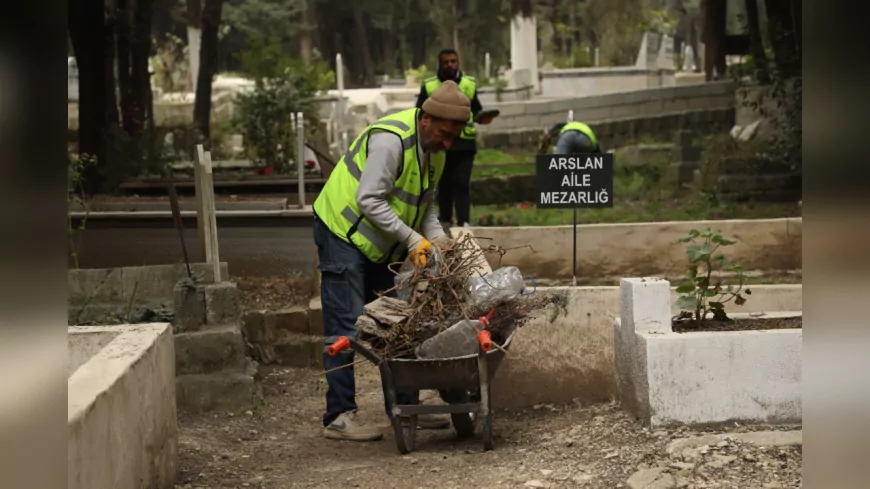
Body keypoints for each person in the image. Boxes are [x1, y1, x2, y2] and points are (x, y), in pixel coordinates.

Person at [312, 81, 472, 442]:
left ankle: (404, 408)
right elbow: (369, 200)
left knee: (398, 323)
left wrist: (440, 241)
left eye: (454, 137)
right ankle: (338, 415)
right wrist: (414, 240)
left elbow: (425, 205)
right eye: (445, 134)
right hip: (342, 234)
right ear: (426, 119)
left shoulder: (437, 151)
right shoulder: (391, 140)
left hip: (379, 246)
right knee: (346, 327)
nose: (448, 143)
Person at [415, 48, 484, 230]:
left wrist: (482, 117)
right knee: (443, 182)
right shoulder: (430, 85)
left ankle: (464, 222)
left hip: (464, 144)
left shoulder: (469, 84)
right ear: (440, 64)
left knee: (462, 182)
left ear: (458, 62)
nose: (450, 65)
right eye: (446, 62)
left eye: (453, 61)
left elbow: (476, 109)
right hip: (440, 144)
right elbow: (420, 111)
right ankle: (445, 220)